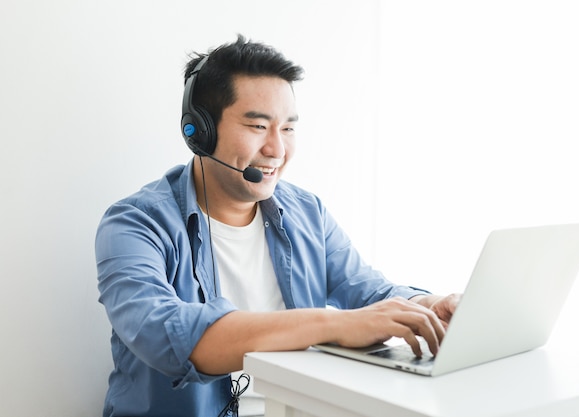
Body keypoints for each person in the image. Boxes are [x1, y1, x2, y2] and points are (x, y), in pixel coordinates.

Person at [95, 34, 461, 417]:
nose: (278, 150)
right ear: (199, 132)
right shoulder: (134, 225)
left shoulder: (306, 212)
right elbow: (169, 337)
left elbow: (368, 291)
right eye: (258, 127)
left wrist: (429, 306)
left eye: (287, 128)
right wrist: (333, 324)